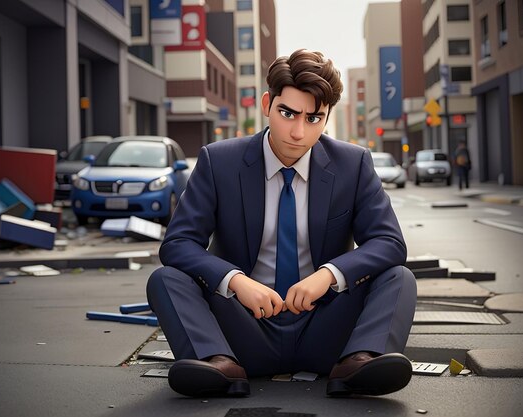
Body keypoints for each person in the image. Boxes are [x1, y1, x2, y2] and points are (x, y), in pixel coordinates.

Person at [146, 49, 417, 398]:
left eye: (313, 118)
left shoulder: (353, 164)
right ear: (266, 104)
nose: (298, 132)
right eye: (287, 113)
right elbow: (177, 243)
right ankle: (216, 363)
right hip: (242, 329)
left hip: (325, 329)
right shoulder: (219, 161)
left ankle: (359, 361)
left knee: (399, 277)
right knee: (165, 279)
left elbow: (389, 242)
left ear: (327, 116)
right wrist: (236, 281)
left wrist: (329, 275)